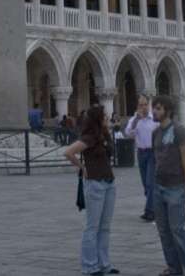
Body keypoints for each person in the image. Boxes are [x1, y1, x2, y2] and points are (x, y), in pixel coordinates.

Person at [150, 94, 185, 276]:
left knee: (177, 229)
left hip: (175, 185)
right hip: (159, 185)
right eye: (154, 107)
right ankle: (173, 268)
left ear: (167, 111)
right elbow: (156, 158)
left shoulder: (178, 130)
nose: (154, 111)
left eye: (158, 108)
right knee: (163, 231)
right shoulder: (155, 132)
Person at [65, 105, 117, 276]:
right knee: (92, 227)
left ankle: (104, 264)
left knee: (105, 227)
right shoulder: (90, 137)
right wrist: (82, 168)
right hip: (95, 183)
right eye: (105, 116)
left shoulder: (104, 135)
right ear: (98, 119)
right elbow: (69, 152)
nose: (108, 118)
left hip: (109, 182)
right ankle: (89, 266)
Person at [124, 96, 159, 221]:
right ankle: (154, 205)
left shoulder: (154, 120)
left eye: (145, 104)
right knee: (145, 184)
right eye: (140, 105)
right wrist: (136, 121)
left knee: (150, 183)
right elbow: (128, 133)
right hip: (141, 153)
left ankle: (150, 211)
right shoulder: (134, 119)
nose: (143, 107)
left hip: (152, 153)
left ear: (149, 105)